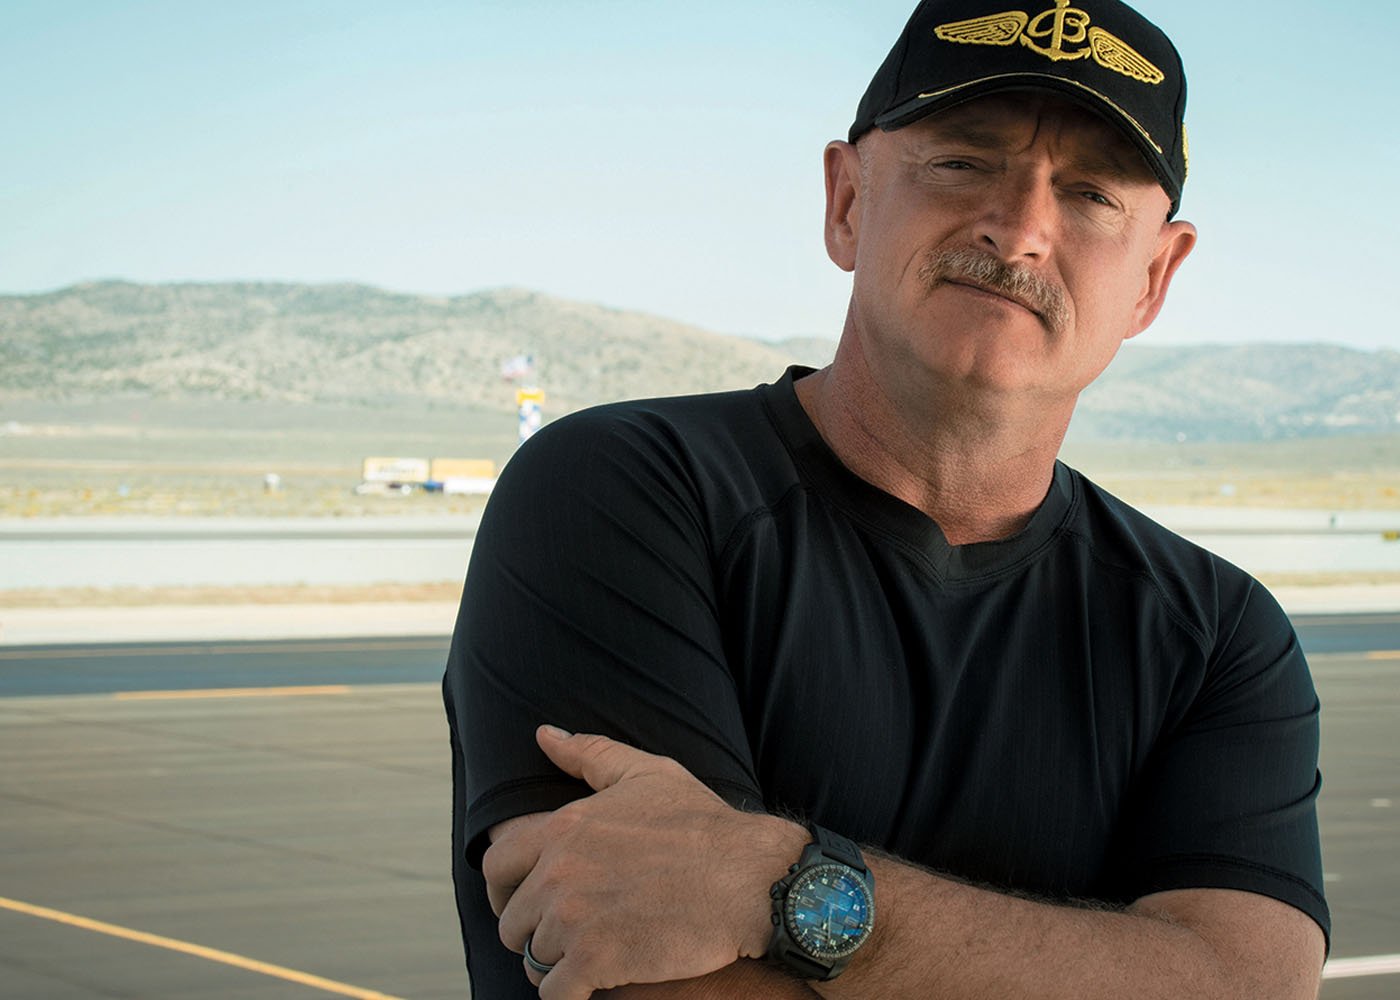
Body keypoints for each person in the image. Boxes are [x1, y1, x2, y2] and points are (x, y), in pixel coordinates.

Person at [443, 0, 1330, 996]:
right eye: (962, 162)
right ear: (846, 201)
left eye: (1087, 193)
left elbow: (1247, 982)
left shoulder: (1214, 636)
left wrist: (773, 888)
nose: (1020, 228)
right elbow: (649, 966)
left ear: (1151, 280)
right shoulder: (622, 491)